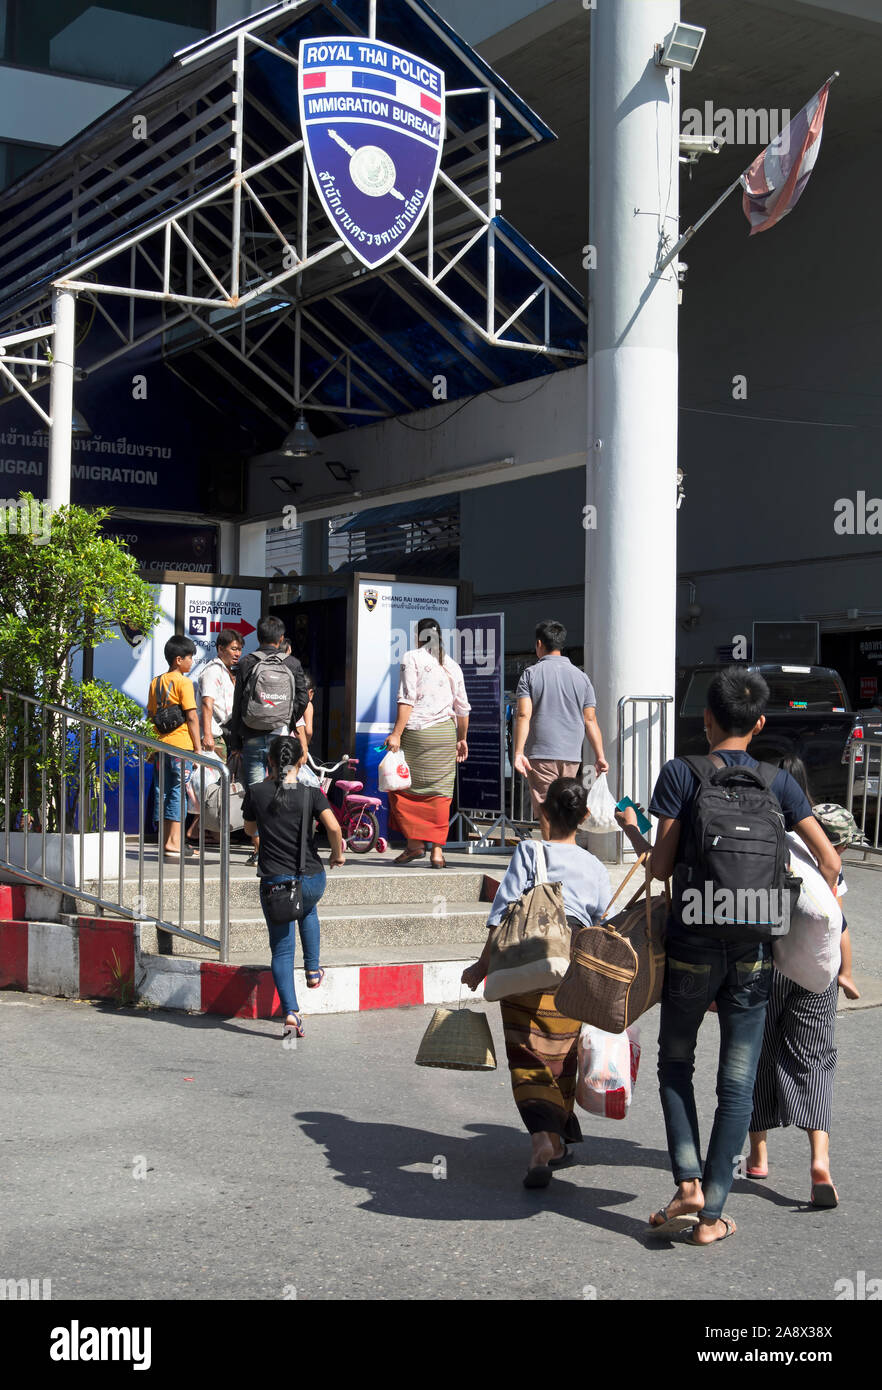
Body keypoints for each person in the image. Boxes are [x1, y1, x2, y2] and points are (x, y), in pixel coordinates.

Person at [616, 666, 840, 1246]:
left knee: (675, 1065)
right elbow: (832, 863)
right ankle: (713, 1214)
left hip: (692, 942)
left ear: (707, 719)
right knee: (737, 1084)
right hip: (753, 952)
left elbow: (661, 869)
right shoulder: (778, 784)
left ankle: (686, 1183)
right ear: (760, 723)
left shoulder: (681, 774)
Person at [462, 778, 612, 1187]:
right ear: (583, 817)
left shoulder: (529, 852)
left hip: (524, 968)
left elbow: (502, 915)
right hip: (571, 972)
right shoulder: (596, 867)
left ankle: (541, 1142)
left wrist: (481, 966)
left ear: (543, 813)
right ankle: (556, 1141)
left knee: (528, 1054)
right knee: (562, 1056)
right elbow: (602, 926)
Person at [747, 771, 864, 1207]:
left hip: (767, 964)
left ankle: (757, 1154)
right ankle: (820, 1162)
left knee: (757, 1052)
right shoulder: (822, 853)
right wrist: (844, 973)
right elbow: (839, 924)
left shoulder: (763, 842)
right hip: (816, 969)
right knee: (814, 1057)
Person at [242, 735, 345, 1039]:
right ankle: (313, 971)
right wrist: (337, 854)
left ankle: (291, 1013)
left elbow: (249, 829)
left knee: (282, 949)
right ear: (302, 761)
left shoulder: (257, 792)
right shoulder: (311, 793)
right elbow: (335, 827)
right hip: (311, 878)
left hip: (276, 883)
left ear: (269, 761)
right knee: (307, 907)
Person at [385, 618, 470, 869]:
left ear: (417, 636)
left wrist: (396, 734)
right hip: (445, 735)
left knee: (402, 788)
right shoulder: (452, 665)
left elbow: (407, 699)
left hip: (417, 733)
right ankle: (437, 853)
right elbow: (463, 708)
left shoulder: (412, 658)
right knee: (441, 794)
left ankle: (414, 845)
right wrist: (462, 739)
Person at [513, 620, 608, 839]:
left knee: (547, 807)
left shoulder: (530, 674)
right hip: (571, 755)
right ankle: (567, 853)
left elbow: (523, 714)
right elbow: (590, 720)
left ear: (539, 644)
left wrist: (518, 752)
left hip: (540, 753)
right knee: (567, 805)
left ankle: (551, 858)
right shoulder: (581, 677)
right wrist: (600, 756)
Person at [228, 616, 308, 866]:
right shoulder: (293, 663)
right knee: (286, 787)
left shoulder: (247, 663)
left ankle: (259, 850)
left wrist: (236, 742)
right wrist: (289, 720)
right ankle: (284, 848)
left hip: (251, 735)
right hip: (281, 737)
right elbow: (303, 699)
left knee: (255, 792)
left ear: (258, 638)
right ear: (281, 639)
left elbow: (238, 702)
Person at [147, 634, 202, 861]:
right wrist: (197, 748)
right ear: (179, 659)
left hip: (161, 746)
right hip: (181, 746)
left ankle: (166, 840)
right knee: (179, 793)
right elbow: (191, 717)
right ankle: (175, 842)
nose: (192, 662)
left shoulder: (156, 682)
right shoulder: (183, 682)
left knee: (164, 792)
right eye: (190, 657)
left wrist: (152, 746)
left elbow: (151, 716)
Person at [199, 628, 242, 763]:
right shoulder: (213, 671)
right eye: (233, 649)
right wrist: (207, 735)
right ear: (221, 649)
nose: (237, 654)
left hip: (228, 733)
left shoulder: (228, 671)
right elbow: (207, 703)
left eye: (239, 650)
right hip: (216, 734)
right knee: (215, 779)